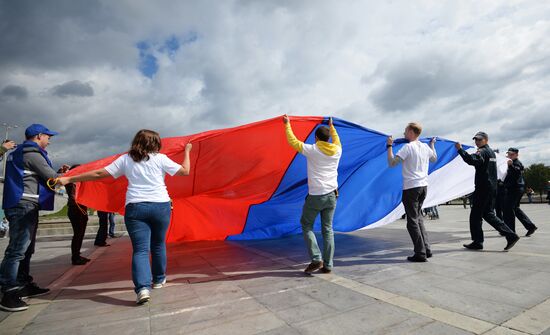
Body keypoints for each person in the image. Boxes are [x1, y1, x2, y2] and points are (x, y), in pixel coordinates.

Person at [59, 129, 192, 305]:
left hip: (136, 208)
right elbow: (185, 171)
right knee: (158, 245)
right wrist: (187, 151)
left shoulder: (126, 160)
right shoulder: (161, 159)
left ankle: (143, 288)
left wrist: (70, 179)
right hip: (161, 206)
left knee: (141, 249)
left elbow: (99, 173)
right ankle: (159, 280)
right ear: (156, 143)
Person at [0, 124, 67, 312]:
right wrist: (71, 174)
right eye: (48, 136)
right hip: (24, 205)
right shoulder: (33, 153)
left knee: (26, 249)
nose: (50, 140)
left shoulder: (19, 152)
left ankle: (23, 284)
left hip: (21, 204)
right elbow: (51, 177)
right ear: (38, 136)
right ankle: (8, 291)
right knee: (17, 250)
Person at [283, 115, 342, 274]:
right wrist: (332, 127)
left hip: (316, 196)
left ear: (316, 138)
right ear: (328, 138)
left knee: (306, 225)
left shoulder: (312, 150)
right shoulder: (337, 150)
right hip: (332, 195)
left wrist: (287, 124)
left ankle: (316, 259)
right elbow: (336, 139)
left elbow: (293, 141)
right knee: (328, 229)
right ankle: (328, 265)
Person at [455, 132, 519, 251]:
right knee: (488, 214)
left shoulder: (482, 151)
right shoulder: (491, 153)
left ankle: (478, 241)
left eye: (479, 139)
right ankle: (510, 235)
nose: (477, 142)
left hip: (483, 188)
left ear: (486, 140)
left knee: (475, 215)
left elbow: (471, 160)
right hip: (491, 187)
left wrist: (460, 150)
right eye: (475, 140)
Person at [387, 123, 437, 262]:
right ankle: (426, 249)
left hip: (411, 188)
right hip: (423, 186)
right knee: (418, 217)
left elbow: (392, 163)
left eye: (405, 131)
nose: (403, 134)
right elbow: (434, 158)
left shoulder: (408, 147)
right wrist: (432, 144)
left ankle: (420, 253)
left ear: (411, 131)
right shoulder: (425, 147)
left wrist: (389, 146)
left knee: (412, 221)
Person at [502, 148, 538, 237]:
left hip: (515, 189)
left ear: (516, 155)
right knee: (515, 208)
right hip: (514, 188)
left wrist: (510, 166)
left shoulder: (516, 163)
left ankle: (510, 231)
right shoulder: (510, 163)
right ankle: (530, 226)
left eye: (511, 154)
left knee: (508, 209)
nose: (509, 156)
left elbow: (517, 172)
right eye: (508, 154)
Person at [64, 165, 91, 265]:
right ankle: (75, 257)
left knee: (80, 233)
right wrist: (67, 171)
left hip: (81, 208)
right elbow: (62, 176)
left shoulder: (80, 181)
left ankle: (77, 255)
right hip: (75, 208)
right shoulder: (70, 181)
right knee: (78, 234)